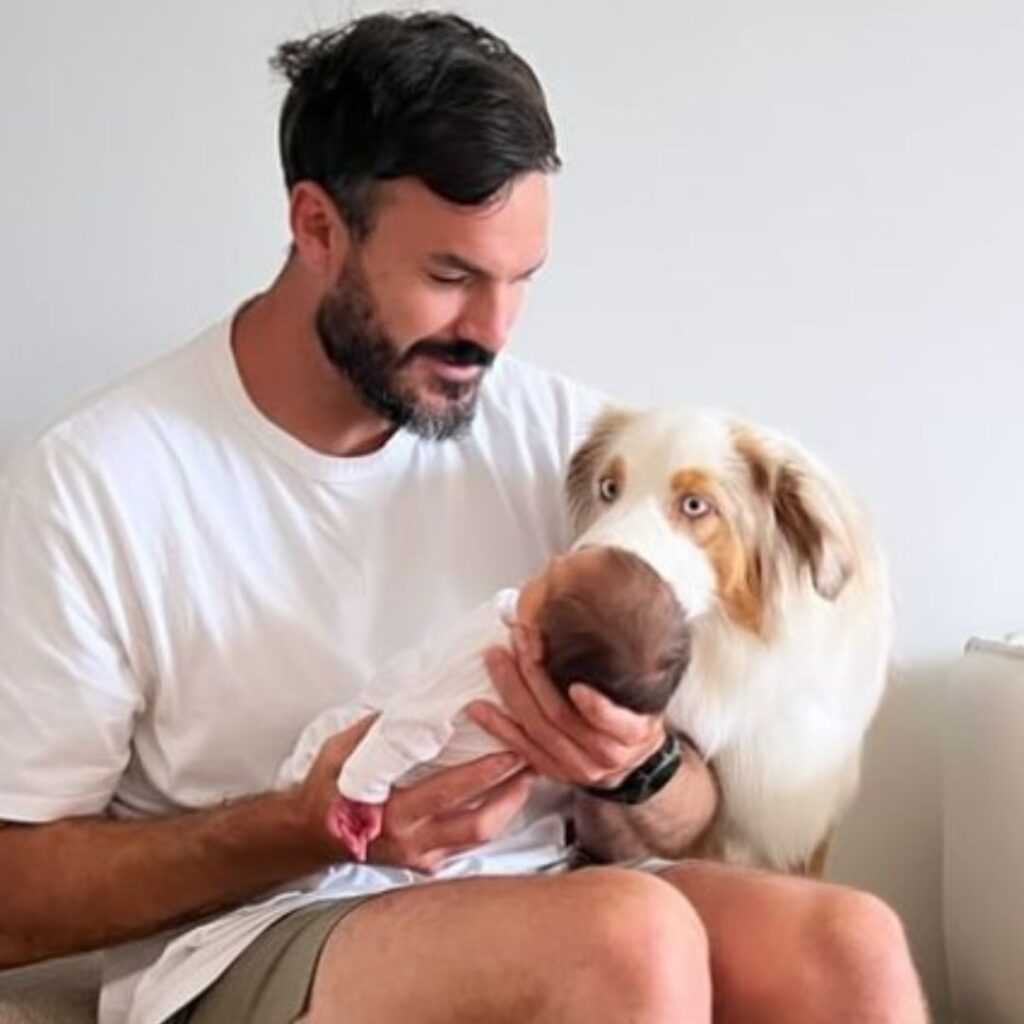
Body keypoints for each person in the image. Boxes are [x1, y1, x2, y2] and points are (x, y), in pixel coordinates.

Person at [0, 11, 928, 1024]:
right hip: (252, 931)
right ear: (317, 228)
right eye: (449, 278)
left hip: (552, 894)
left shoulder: (581, 452)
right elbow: (14, 894)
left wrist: (635, 766)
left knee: (849, 941)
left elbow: (687, 802)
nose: (491, 332)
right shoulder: (99, 484)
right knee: (627, 933)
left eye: (519, 281)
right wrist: (308, 824)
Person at [285, 544, 692, 862]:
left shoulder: (479, 664)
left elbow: (409, 727)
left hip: (378, 767)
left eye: (549, 577)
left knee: (323, 748)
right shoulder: (560, 655)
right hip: (468, 829)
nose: (552, 558)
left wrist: (361, 791)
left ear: (530, 642)